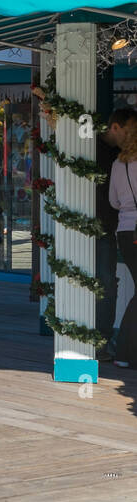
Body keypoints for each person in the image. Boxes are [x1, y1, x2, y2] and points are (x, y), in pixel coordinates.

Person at [99, 108, 137, 361]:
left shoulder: (117, 164)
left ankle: (125, 350)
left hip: (124, 231)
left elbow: (113, 201)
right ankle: (125, 350)